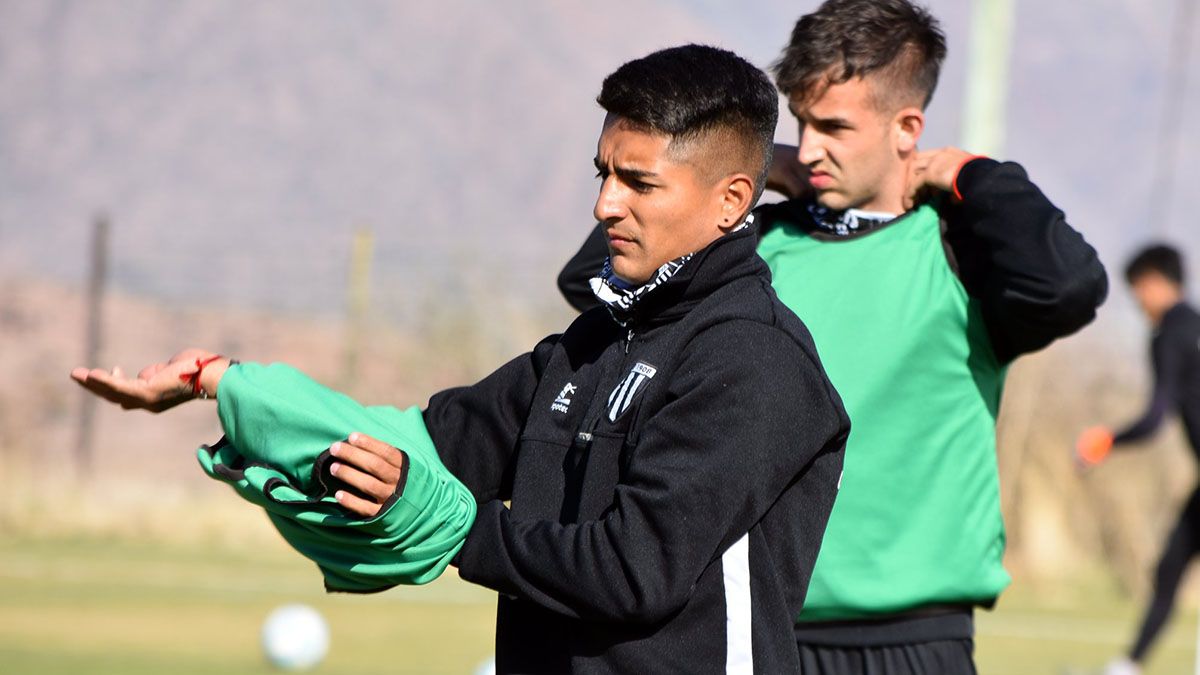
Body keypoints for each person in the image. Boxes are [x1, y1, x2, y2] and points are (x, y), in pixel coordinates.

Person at [73, 45, 851, 673]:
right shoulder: (588, 345)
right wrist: (226, 385)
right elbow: (425, 442)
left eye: (639, 182)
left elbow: (634, 569)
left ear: (730, 199)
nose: (605, 204)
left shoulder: (754, 359)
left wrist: (455, 528)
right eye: (603, 173)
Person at [556, 1, 1109, 672]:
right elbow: (596, 281)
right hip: (752, 629)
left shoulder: (956, 252)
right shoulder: (754, 246)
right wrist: (755, 169)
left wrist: (974, 175)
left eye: (834, 127)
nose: (811, 147)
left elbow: (1069, 286)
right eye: (802, 124)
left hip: (914, 643)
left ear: (908, 128)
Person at [1076, 245, 1200, 675]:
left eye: (1136, 293)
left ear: (1153, 282)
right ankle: (1128, 665)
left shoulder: (1170, 331)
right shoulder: (1195, 325)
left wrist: (1107, 440)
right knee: (1170, 567)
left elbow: (1154, 418)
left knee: (1170, 568)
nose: (1138, 304)